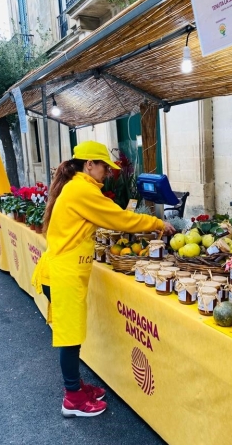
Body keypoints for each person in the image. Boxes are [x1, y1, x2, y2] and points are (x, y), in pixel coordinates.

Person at [32, 141, 175, 418]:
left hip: (65, 270)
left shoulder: (77, 187)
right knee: (69, 337)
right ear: (89, 165)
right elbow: (118, 219)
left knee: (72, 335)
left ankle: (76, 386)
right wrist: (157, 224)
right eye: (103, 167)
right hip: (64, 274)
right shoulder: (82, 190)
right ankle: (72, 398)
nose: (106, 173)